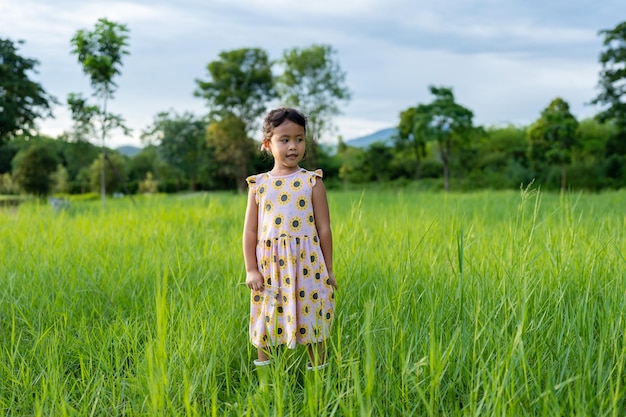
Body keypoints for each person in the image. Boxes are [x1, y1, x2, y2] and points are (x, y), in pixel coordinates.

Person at [242, 107, 338, 387]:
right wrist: (251, 269)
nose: (293, 146)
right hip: (270, 269)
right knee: (266, 323)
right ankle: (267, 386)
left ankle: (318, 386)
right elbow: (249, 231)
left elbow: (324, 229)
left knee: (314, 321)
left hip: (308, 267)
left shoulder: (312, 181)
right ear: (267, 144)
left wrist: (329, 269)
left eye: (299, 138)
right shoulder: (258, 186)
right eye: (284, 139)